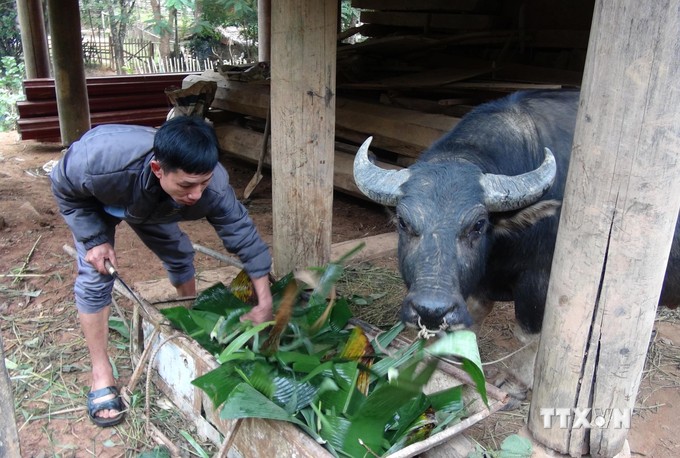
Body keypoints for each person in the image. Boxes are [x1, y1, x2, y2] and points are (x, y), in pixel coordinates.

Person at [50, 116, 273, 427]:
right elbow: (64, 187)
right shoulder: (98, 160)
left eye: (203, 183)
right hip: (100, 198)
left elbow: (245, 238)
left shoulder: (214, 187)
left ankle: (188, 320)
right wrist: (93, 239)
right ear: (158, 169)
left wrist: (264, 302)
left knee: (181, 254)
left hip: (155, 204)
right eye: (187, 185)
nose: (196, 194)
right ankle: (101, 372)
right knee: (97, 274)